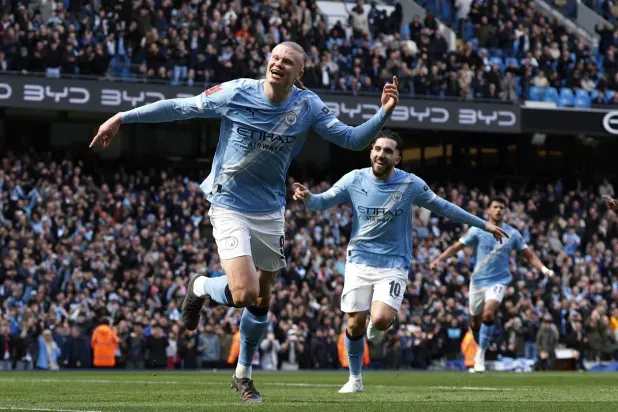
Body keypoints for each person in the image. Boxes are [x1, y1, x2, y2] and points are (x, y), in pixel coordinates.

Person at [89, 41, 399, 403]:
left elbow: (352, 139)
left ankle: (243, 375)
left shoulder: (308, 105)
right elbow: (180, 107)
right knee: (244, 293)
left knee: (262, 297)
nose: (278, 64)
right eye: (275, 58)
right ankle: (200, 286)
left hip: (270, 211)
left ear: (300, 73)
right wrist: (122, 117)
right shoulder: (236, 92)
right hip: (229, 203)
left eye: (288, 62)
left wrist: (384, 112)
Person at [292, 130, 508, 392]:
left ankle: (379, 323)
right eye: (377, 149)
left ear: (397, 158)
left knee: (381, 320)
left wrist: (483, 224)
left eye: (388, 150)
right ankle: (355, 379)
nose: (381, 154)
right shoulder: (354, 179)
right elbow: (321, 202)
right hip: (359, 260)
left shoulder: (409, 184)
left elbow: (444, 207)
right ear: (371, 153)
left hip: (394, 263)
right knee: (354, 323)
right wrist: (308, 197)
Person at [429, 196, 554, 373]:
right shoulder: (477, 230)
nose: (498, 210)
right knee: (474, 322)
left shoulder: (512, 234)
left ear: (505, 211)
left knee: (488, 313)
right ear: (488, 210)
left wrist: (544, 269)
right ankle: (480, 347)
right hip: (478, 282)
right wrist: (439, 259)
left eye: (501, 207)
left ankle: (480, 355)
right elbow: (457, 247)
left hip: (499, 281)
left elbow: (529, 256)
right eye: (495, 207)